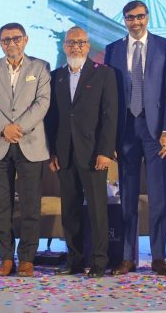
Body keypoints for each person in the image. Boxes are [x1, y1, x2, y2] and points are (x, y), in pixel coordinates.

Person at [104, 0, 166, 276]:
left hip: (155, 132)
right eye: (130, 18)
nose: (135, 22)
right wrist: (110, 138)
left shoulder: (164, 46)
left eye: (139, 17)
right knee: (128, 197)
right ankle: (128, 257)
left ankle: (158, 257)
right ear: (124, 20)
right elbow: (109, 97)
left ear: (147, 17)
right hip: (125, 130)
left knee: (158, 196)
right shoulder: (113, 49)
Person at [0, 22, 50, 278]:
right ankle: (6, 258)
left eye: (16, 38)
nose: (12, 43)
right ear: (0, 43)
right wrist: (3, 127)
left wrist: (17, 128)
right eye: (6, 40)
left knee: (30, 205)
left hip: (29, 141)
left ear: (25, 40)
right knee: (0, 205)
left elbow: (43, 102)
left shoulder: (40, 67)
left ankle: (27, 259)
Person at [47, 27, 118, 278]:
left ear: (88, 46)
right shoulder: (55, 76)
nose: (75, 47)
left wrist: (105, 151)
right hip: (64, 154)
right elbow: (51, 118)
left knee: (98, 210)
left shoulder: (104, 74)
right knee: (70, 210)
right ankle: (74, 260)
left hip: (93, 154)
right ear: (64, 46)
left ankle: (99, 261)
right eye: (71, 42)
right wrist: (52, 152)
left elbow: (110, 116)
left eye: (80, 42)